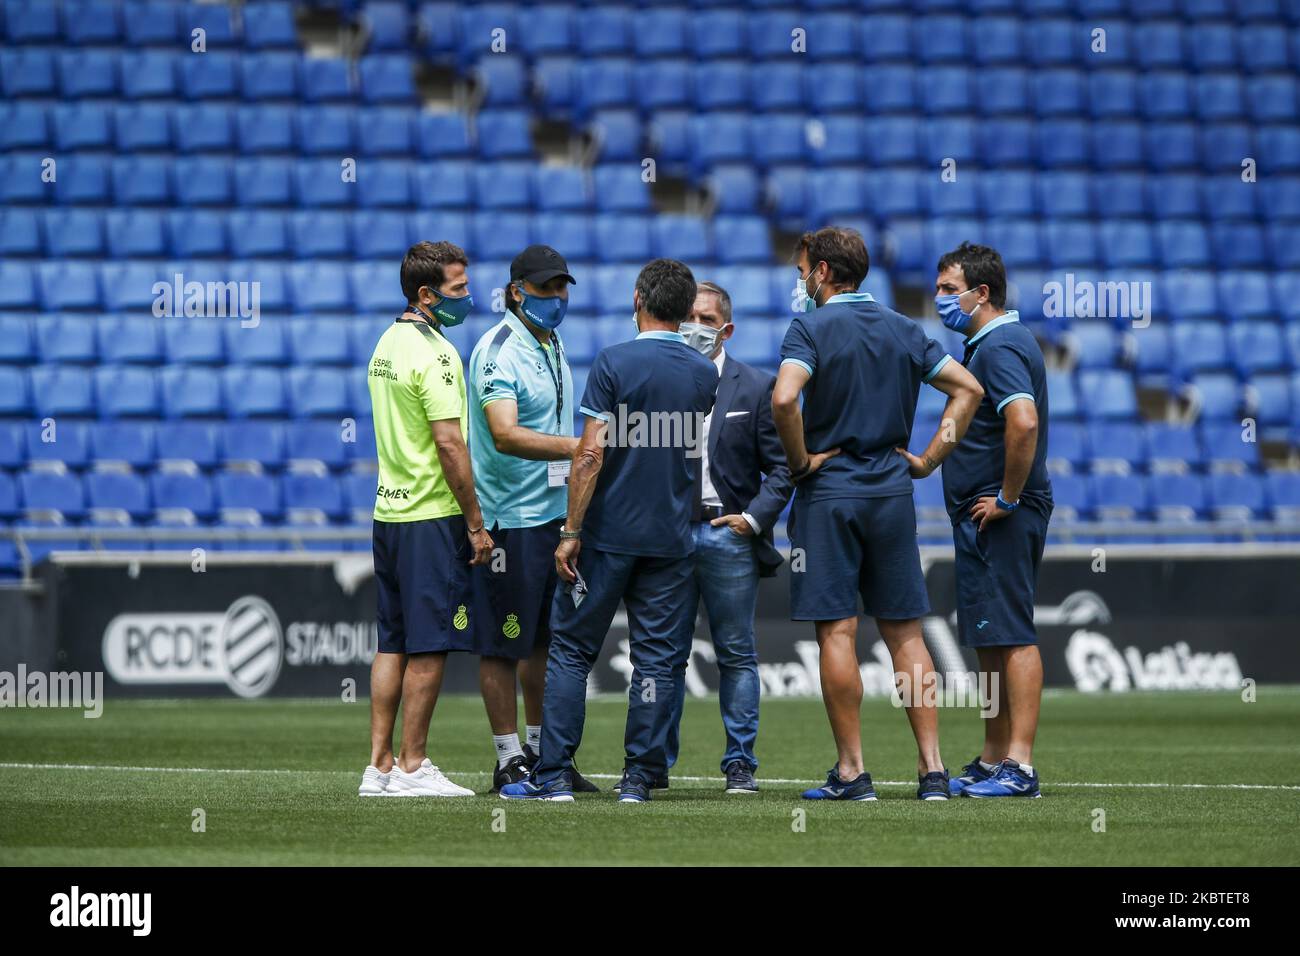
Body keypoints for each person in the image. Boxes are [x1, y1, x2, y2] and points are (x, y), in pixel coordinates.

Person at [772, 226, 983, 802]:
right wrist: (930, 459)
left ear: (821, 273)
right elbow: (967, 390)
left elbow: (785, 398)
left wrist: (800, 461)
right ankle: (933, 771)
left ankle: (852, 772)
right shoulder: (903, 328)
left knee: (837, 632)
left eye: (802, 270)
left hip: (830, 493)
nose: (800, 280)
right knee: (907, 636)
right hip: (892, 494)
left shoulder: (808, 328)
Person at [500, 259, 719, 803]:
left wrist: (571, 529)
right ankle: (638, 779)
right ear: (684, 307)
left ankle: (552, 775)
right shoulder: (702, 372)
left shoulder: (613, 362)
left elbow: (591, 454)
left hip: (607, 535)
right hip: (670, 537)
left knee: (572, 650)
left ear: (639, 299)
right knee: (658, 660)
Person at [359, 240, 493, 799]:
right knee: (430, 644)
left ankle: (380, 765)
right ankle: (414, 767)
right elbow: (449, 445)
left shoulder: (386, 343)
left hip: (388, 513)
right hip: (430, 517)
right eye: (458, 289)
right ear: (425, 293)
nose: (467, 297)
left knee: (392, 641)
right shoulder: (436, 353)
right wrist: (476, 521)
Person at [924, 242, 1053, 799]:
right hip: (984, 514)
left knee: (1012, 634)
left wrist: (1007, 497)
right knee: (991, 638)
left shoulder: (998, 345)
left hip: (998, 513)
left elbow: (1022, 423)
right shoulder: (990, 344)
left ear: (982, 294)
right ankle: (994, 756)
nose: (939, 300)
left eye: (950, 290)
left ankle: (1019, 767)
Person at [467, 244, 596, 794]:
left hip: (548, 515)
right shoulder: (497, 349)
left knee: (544, 640)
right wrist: (576, 448)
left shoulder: (551, 341)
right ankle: (506, 757)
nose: (558, 298)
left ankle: (544, 756)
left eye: (562, 288)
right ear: (517, 292)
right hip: (507, 520)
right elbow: (503, 433)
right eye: (546, 290)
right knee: (503, 641)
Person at [661, 281, 793, 795]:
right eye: (688, 316)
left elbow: (782, 469)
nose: (696, 326)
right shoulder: (661, 381)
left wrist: (752, 519)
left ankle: (740, 764)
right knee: (664, 657)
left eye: (707, 319)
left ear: (727, 329)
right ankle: (653, 764)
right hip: (668, 537)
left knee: (736, 654)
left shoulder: (756, 387)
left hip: (728, 535)